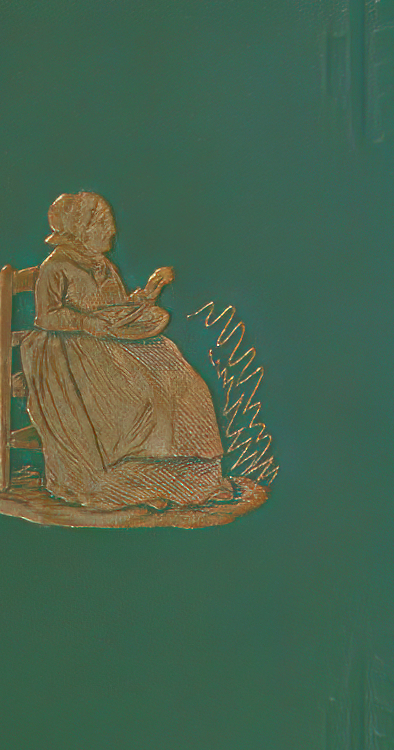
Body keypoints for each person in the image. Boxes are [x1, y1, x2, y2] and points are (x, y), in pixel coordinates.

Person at [19, 192, 234, 511]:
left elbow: (116, 309)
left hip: (112, 342)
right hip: (71, 348)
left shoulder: (104, 265)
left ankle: (191, 479)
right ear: (81, 229)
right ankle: (133, 483)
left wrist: (149, 292)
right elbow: (46, 316)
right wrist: (84, 322)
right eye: (103, 223)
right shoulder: (55, 267)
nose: (112, 230)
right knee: (141, 393)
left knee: (184, 382)